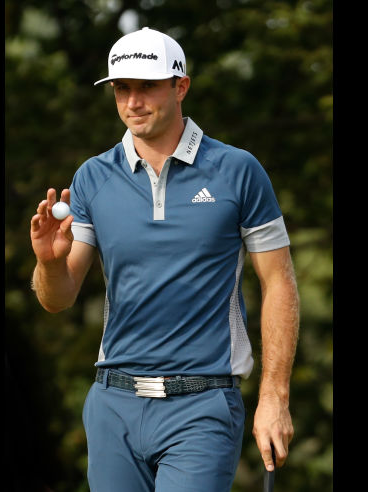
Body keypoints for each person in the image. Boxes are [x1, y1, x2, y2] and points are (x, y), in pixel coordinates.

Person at [30, 27, 299, 492]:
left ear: (181, 86)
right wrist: (50, 264)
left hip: (203, 404)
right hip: (112, 403)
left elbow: (279, 283)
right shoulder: (92, 177)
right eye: (121, 88)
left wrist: (274, 396)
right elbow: (57, 300)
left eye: (147, 86)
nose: (132, 101)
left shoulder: (237, 171)